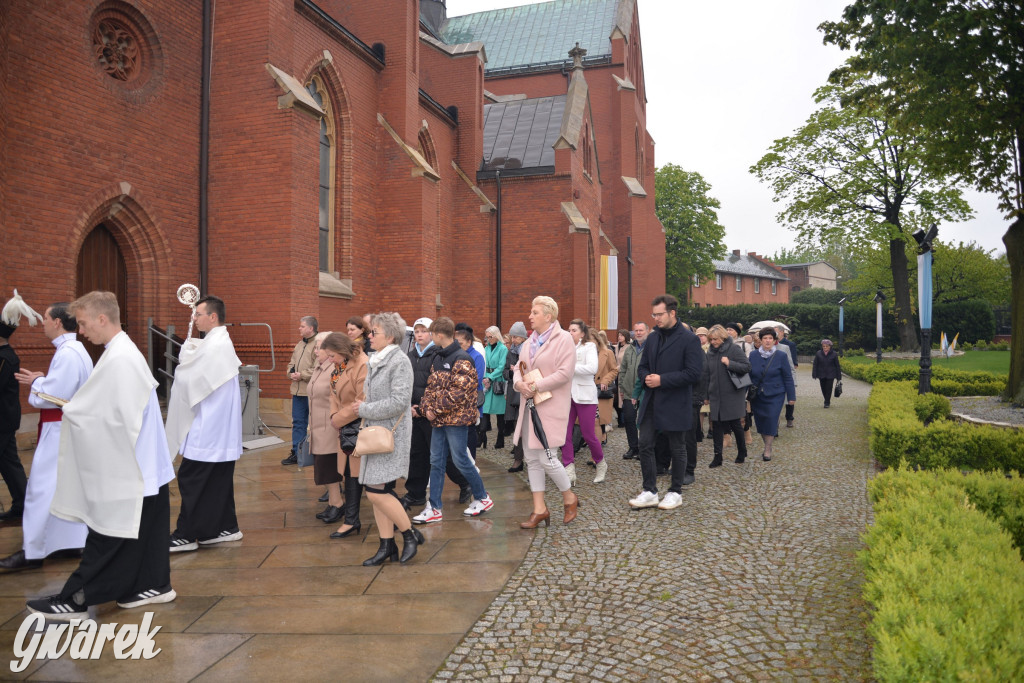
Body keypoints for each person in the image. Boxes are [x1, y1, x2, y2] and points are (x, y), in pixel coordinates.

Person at [29, 291, 176, 619]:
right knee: (143, 536)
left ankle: (77, 598)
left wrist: (73, 410)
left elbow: (114, 417)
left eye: (82, 323)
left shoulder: (120, 358)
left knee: (108, 534)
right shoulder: (120, 352)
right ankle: (152, 586)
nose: (80, 331)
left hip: (133, 468)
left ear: (101, 318)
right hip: (146, 465)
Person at [2, 302, 92, 572]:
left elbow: (54, 397)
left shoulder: (67, 353)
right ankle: (67, 543)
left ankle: (33, 551)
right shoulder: (75, 350)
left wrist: (37, 383)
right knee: (63, 488)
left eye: (45, 318)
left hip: (60, 431)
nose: (41, 323)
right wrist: (44, 378)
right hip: (67, 429)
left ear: (57, 322)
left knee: (40, 491)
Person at [166, 295, 244, 552]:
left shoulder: (216, 346)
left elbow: (190, 381)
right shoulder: (215, 343)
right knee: (217, 482)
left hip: (208, 428)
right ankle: (223, 528)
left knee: (193, 478)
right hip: (215, 427)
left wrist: (185, 360)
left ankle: (186, 535)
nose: (194, 318)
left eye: (198, 314)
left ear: (213, 316)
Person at [353, 312, 422, 564]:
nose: (369, 336)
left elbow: (399, 402)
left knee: (374, 492)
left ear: (390, 336)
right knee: (376, 490)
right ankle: (387, 546)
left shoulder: (399, 361)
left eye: (374, 332)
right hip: (375, 434)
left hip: (391, 436)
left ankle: (410, 533)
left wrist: (363, 409)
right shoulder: (377, 359)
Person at [414, 317, 494, 524]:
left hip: (456, 421)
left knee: (461, 460)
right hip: (439, 420)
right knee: (436, 462)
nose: (430, 337)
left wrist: (434, 410)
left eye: (431, 334)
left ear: (439, 335)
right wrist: (426, 409)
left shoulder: (462, 358)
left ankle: (483, 497)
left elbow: (459, 392)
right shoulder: (439, 357)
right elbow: (431, 388)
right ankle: (434, 508)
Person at [628, 295, 703, 511]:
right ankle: (650, 491)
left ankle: (675, 491)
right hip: (651, 400)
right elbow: (642, 367)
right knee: (645, 444)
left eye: (659, 314)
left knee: (677, 446)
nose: (656, 318)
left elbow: (694, 373)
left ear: (672, 313)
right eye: (654, 314)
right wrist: (646, 377)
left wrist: (662, 379)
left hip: (676, 400)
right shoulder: (653, 338)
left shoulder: (689, 339)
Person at [512, 296, 579, 528]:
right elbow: (518, 369)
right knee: (531, 458)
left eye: (534, 312)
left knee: (548, 458)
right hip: (529, 406)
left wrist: (535, 386)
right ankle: (539, 509)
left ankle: (569, 496)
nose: (530, 316)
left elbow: (564, 373)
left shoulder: (564, 340)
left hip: (550, 407)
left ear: (548, 316)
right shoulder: (529, 342)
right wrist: (518, 383)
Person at [404, 318, 472, 510]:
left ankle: (464, 482)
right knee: (416, 454)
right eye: (416, 331)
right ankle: (415, 493)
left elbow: (438, 387)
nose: (419, 335)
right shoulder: (409, 356)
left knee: (444, 455)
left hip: (432, 413)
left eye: (424, 331)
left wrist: (426, 408)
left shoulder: (438, 355)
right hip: (414, 412)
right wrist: (410, 406)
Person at [0, 290, 41, 524]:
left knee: (8, 460)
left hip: (3, 418)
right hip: (6, 417)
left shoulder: (6, 357)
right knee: (8, 461)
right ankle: (22, 504)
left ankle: (24, 504)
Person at [323, 332, 368, 537]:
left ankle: (398, 521)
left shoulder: (362, 364)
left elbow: (361, 400)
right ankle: (351, 520)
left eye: (332, 355)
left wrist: (338, 418)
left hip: (359, 426)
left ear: (341, 350)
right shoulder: (340, 364)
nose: (330, 360)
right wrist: (335, 415)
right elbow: (333, 391)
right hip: (345, 425)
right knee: (350, 475)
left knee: (360, 477)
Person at [561, 319, 605, 485]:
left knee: (588, 434)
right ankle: (568, 468)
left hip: (585, 395)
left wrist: (570, 368)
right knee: (565, 434)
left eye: (573, 330)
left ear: (582, 333)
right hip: (568, 395)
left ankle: (600, 463)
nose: (570, 332)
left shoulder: (589, 346)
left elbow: (592, 369)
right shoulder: (566, 348)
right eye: (569, 329)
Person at [305, 331, 343, 524]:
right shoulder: (319, 368)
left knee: (328, 468)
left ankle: (337, 504)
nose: (315, 350)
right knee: (323, 469)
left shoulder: (335, 369)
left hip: (329, 427)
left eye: (319, 346)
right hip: (317, 426)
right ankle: (333, 502)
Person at [704, 324, 751, 466]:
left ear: (723, 338)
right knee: (716, 425)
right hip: (715, 395)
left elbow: (747, 367)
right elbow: (706, 375)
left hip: (732, 393)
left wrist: (730, 363)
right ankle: (717, 456)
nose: (713, 342)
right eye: (711, 340)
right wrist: (706, 395)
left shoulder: (734, 349)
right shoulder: (710, 352)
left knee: (735, 424)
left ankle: (742, 451)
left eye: (716, 339)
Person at [749, 328, 796, 461]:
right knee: (760, 421)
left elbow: (788, 377)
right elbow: (749, 374)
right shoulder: (753, 355)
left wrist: (791, 396)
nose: (768, 341)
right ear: (761, 340)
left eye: (770, 338)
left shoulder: (781, 355)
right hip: (757, 394)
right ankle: (767, 443)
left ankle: (767, 448)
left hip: (776, 394)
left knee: (771, 418)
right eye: (765, 338)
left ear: (775, 341)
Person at [282, 316, 318, 465]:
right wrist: (291, 373)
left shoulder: (318, 345)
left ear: (311, 328)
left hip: (311, 392)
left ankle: (317, 453)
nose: (299, 328)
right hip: (297, 392)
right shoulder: (299, 345)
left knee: (316, 424)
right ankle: (297, 453)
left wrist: (301, 375)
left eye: (302, 326)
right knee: (298, 423)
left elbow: (318, 367)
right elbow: (291, 363)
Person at [618, 321, 648, 460]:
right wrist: (622, 386)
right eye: (636, 330)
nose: (638, 333)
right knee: (629, 420)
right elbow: (623, 369)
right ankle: (633, 447)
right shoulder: (629, 348)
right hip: (629, 391)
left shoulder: (650, 348)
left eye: (641, 330)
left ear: (646, 331)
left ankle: (644, 448)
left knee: (644, 422)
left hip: (644, 392)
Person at [503, 322, 528, 472]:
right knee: (516, 427)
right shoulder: (510, 352)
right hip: (513, 393)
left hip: (525, 392)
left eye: (516, 337)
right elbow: (505, 372)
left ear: (523, 337)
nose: (513, 339)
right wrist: (512, 372)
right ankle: (518, 460)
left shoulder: (528, 350)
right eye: (512, 336)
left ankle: (529, 458)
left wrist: (520, 371)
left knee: (527, 428)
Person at [481, 326, 508, 448]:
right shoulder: (486, 348)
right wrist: (486, 378)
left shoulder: (503, 349)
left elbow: (502, 366)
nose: (488, 339)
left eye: (490, 337)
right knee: (484, 411)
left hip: (497, 382)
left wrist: (490, 377)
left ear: (496, 336)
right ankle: (482, 437)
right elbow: (484, 364)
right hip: (487, 381)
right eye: (487, 337)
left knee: (500, 414)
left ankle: (500, 439)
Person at [594, 330, 619, 448]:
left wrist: (605, 380)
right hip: (586, 390)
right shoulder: (582, 353)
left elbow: (614, 369)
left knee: (599, 419)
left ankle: (600, 439)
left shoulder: (607, 352)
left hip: (600, 390)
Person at [777, 326, 799, 427]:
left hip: (786, 374)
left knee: (789, 399)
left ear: (781, 332)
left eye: (776, 331)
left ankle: (789, 418)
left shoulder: (789, 345)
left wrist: (793, 378)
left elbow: (792, 359)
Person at [811, 339, 842, 407]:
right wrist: (814, 373)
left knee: (829, 388)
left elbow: (837, 365)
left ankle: (827, 402)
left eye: (826, 346)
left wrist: (839, 376)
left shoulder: (834, 354)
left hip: (830, 374)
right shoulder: (818, 353)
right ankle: (826, 399)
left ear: (830, 346)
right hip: (821, 374)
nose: (825, 347)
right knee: (823, 388)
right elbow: (815, 364)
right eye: (823, 346)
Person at [694, 326, 710, 440]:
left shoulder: (711, 348)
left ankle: (711, 429)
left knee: (710, 408)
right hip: (699, 382)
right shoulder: (694, 348)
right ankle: (699, 430)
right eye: (698, 336)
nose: (700, 338)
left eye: (702, 335)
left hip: (709, 381)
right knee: (700, 410)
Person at [613, 330, 631, 427]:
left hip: (623, 375)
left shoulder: (629, 347)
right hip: (616, 375)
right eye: (619, 335)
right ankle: (620, 419)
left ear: (626, 337)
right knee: (616, 399)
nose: (619, 337)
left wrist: (617, 368)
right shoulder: (617, 347)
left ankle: (623, 420)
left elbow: (626, 362)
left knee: (622, 397)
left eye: (622, 335)